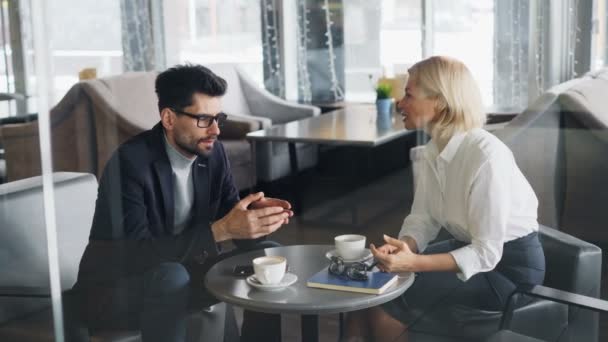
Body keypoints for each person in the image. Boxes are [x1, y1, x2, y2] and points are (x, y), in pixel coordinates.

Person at [74, 64, 292, 342]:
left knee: (268, 255)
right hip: (118, 290)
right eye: (204, 119)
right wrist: (220, 231)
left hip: (184, 273)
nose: (215, 130)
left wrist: (255, 221)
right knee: (171, 275)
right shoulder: (130, 163)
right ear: (168, 118)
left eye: (218, 118)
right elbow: (137, 254)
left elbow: (231, 220)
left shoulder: (213, 155)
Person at [344, 56, 545, 341]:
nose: (400, 103)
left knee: (386, 294)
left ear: (440, 101)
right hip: (469, 249)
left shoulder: (486, 156)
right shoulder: (433, 150)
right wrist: (407, 248)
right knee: (367, 285)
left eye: (409, 94)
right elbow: (423, 218)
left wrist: (411, 263)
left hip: (508, 271)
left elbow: (487, 253)